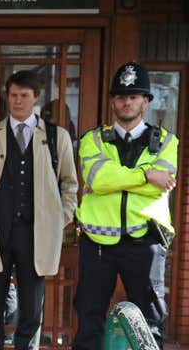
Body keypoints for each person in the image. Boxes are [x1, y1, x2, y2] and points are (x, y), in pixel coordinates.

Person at [0, 70, 78, 350]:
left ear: (36, 98)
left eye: (24, 96)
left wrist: (59, 220)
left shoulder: (57, 137)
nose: (17, 101)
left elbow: (70, 184)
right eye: (13, 95)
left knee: (31, 307)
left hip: (36, 234)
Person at [73, 62, 177, 350]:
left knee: (149, 322)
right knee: (89, 319)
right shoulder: (92, 139)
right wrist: (146, 175)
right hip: (97, 241)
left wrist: (115, 179)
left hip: (145, 239)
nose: (126, 102)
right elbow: (97, 177)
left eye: (133, 96)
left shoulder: (167, 141)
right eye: (120, 96)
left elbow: (163, 181)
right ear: (112, 102)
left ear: (145, 101)